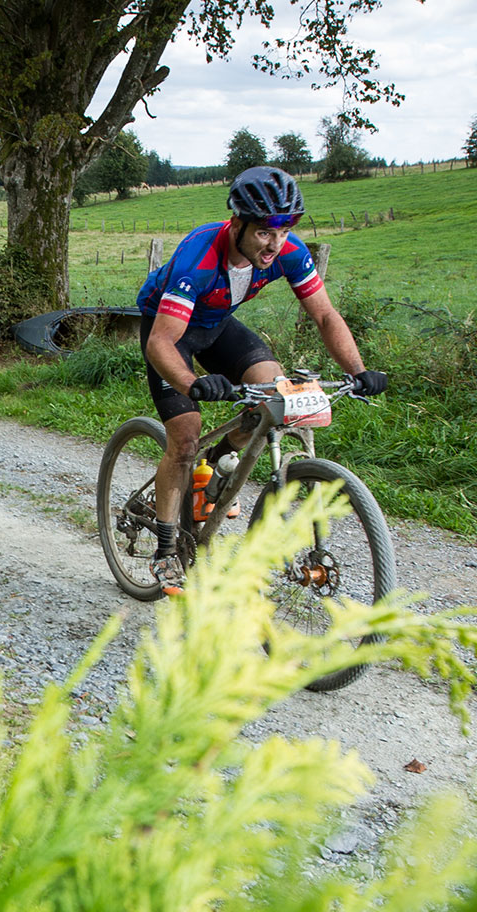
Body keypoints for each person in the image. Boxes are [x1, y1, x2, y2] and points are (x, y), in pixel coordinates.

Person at [136, 165, 387, 595]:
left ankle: (214, 472)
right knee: (185, 438)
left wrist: (358, 371)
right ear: (237, 223)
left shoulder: (288, 252)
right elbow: (162, 341)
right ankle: (164, 551)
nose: (275, 244)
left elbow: (325, 314)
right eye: (265, 233)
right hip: (169, 332)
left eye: (285, 231)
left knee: (275, 396)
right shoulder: (199, 257)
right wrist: (192, 382)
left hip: (218, 326)